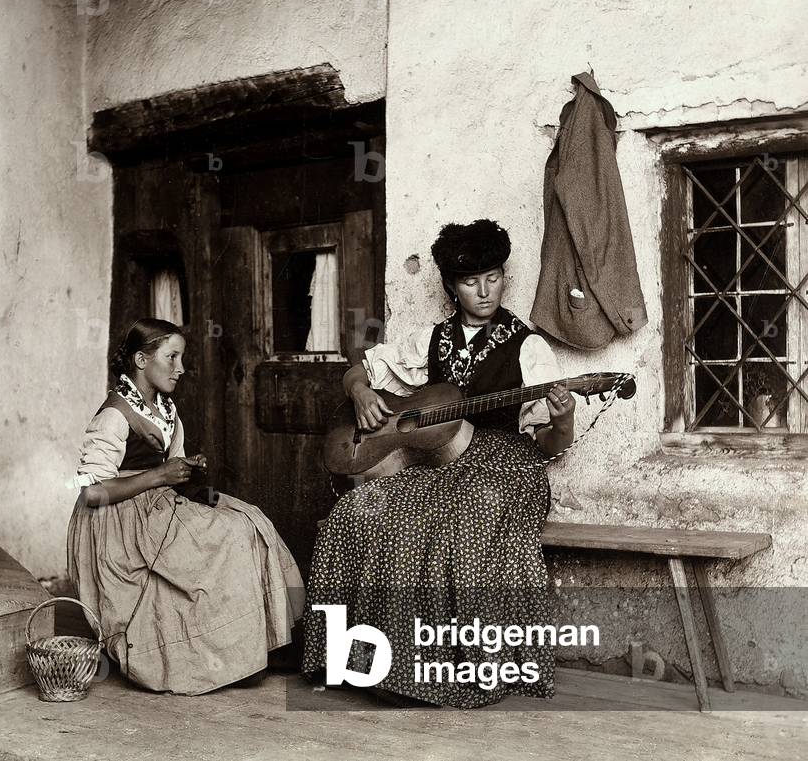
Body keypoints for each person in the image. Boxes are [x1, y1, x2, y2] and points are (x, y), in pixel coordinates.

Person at [302, 219, 575, 708]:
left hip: (505, 464)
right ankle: (353, 661)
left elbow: (552, 446)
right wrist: (362, 393)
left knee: (459, 522)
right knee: (356, 511)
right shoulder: (430, 341)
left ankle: (438, 671)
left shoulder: (528, 347)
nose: (484, 290)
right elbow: (356, 372)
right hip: (440, 465)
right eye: (471, 282)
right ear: (451, 286)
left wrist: (564, 418)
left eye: (493, 277)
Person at [67, 318, 305, 694]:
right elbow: (91, 493)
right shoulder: (114, 416)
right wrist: (161, 476)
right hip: (117, 522)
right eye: (172, 357)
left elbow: (168, 468)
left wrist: (186, 471)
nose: (180, 368)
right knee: (228, 535)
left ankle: (254, 645)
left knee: (249, 520)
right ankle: (220, 653)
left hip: (158, 505)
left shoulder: (166, 409)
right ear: (142, 360)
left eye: (182, 358)